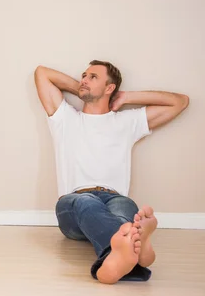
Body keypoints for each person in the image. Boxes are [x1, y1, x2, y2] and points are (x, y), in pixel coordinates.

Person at [34, 60, 189, 284]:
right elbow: (42, 73)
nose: (85, 79)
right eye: (83, 75)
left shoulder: (127, 122)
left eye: (93, 77)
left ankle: (121, 256)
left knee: (126, 211)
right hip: (74, 203)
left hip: (114, 197)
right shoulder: (64, 118)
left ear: (110, 88)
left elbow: (180, 102)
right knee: (87, 202)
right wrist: (82, 88)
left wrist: (126, 97)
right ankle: (133, 251)